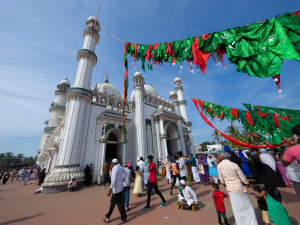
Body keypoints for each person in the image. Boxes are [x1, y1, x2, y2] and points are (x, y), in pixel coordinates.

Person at [217, 151, 258, 225]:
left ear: (221, 157)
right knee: (246, 205)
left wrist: (226, 187)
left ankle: (241, 223)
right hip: (239, 187)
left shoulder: (219, 166)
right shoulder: (233, 165)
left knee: (236, 208)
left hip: (230, 188)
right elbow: (242, 177)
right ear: (229, 157)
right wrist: (248, 186)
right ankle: (252, 222)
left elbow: (221, 180)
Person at [103, 158, 128, 224]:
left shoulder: (114, 169)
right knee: (116, 203)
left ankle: (108, 217)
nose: (111, 164)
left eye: (111, 163)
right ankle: (108, 216)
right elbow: (126, 172)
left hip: (116, 189)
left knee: (116, 204)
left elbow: (113, 180)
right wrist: (123, 178)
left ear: (113, 163)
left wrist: (110, 189)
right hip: (120, 188)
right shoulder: (120, 167)